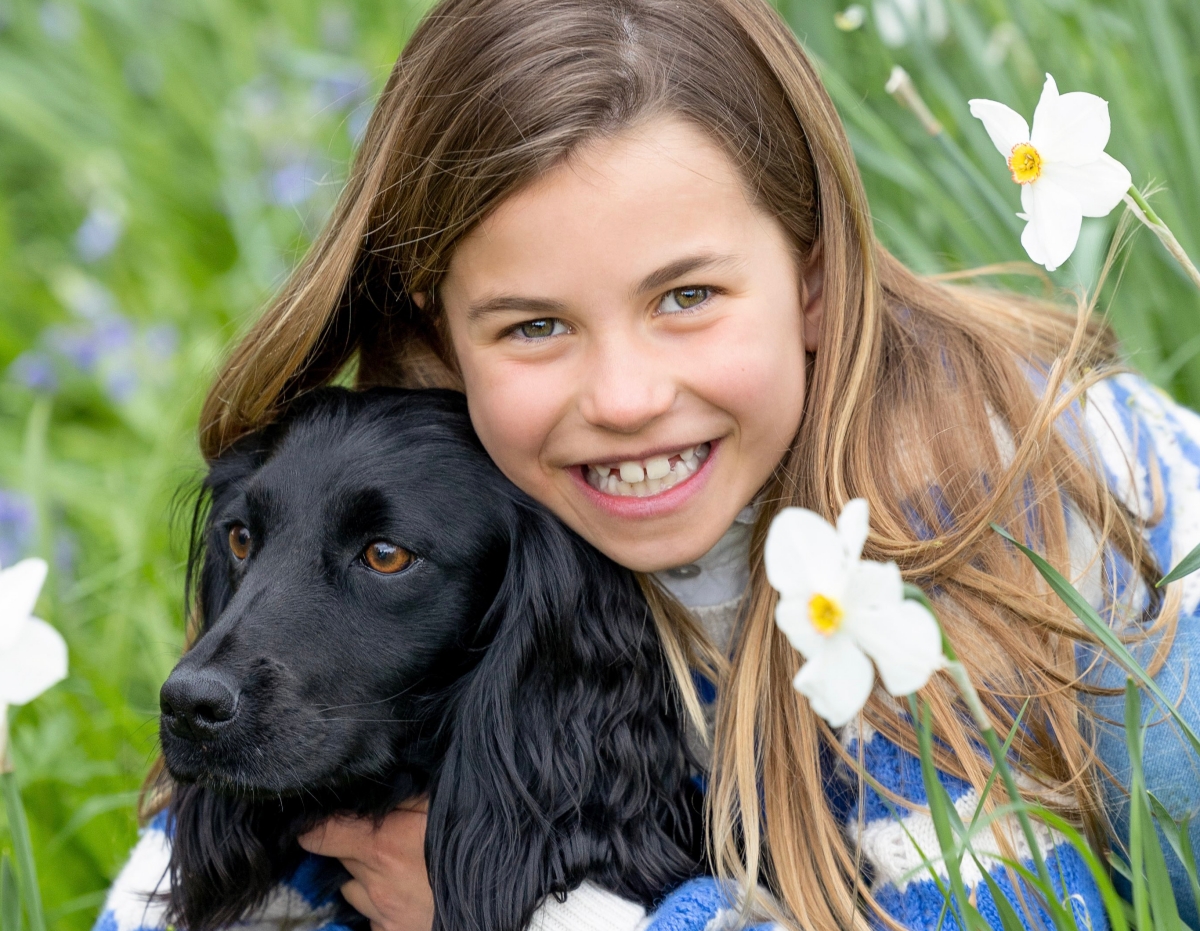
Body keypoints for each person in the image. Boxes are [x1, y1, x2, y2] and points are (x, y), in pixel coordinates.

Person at [95, 0, 1200, 929]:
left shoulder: (962, 508)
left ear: (814, 280)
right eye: (534, 325)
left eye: (686, 298)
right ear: (443, 331)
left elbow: (1005, 907)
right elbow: (202, 859)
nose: (624, 400)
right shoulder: (469, 477)